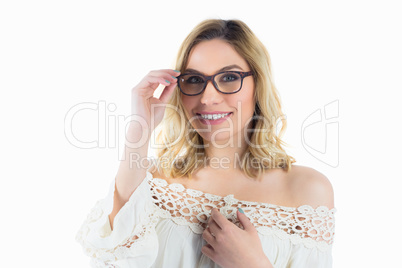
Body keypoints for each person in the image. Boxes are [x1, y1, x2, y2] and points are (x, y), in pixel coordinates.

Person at [76, 19, 336, 268]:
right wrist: (139, 127)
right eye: (194, 80)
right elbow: (112, 257)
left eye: (230, 77)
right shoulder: (151, 180)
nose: (208, 97)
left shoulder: (307, 191)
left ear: (258, 84)